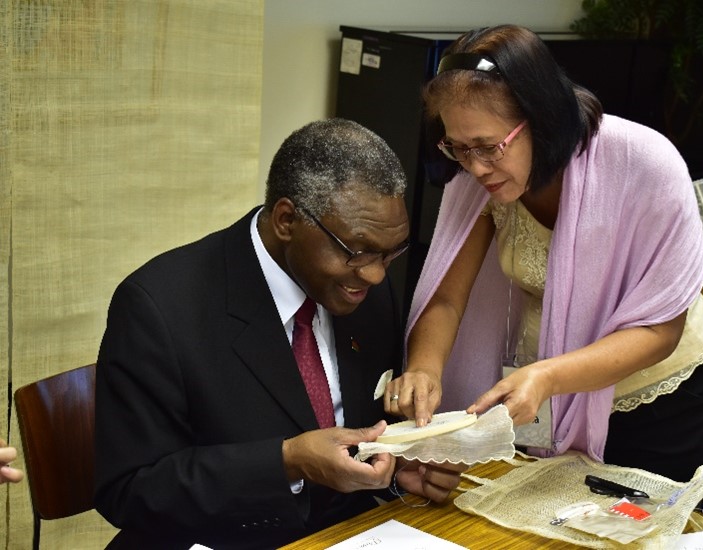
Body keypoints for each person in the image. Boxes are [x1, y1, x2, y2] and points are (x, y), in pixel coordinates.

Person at [95, 118, 465, 550]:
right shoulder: (160, 306)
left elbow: (357, 438)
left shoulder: (363, 289)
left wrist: (397, 468)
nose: (376, 275)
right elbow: (129, 491)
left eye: (390, 253)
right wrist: (287, 463)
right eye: (358, 251)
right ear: (287, 219)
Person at [385, 25, 703, 482]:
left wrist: (548, 378)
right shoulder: (475, 178)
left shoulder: (645, 164)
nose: (476, 167)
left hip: (653, 393)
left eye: (489, 147)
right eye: (459, 148)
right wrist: (424, 368)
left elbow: (660, 329)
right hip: (544, 384)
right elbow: (446, 299)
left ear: (541, 118)